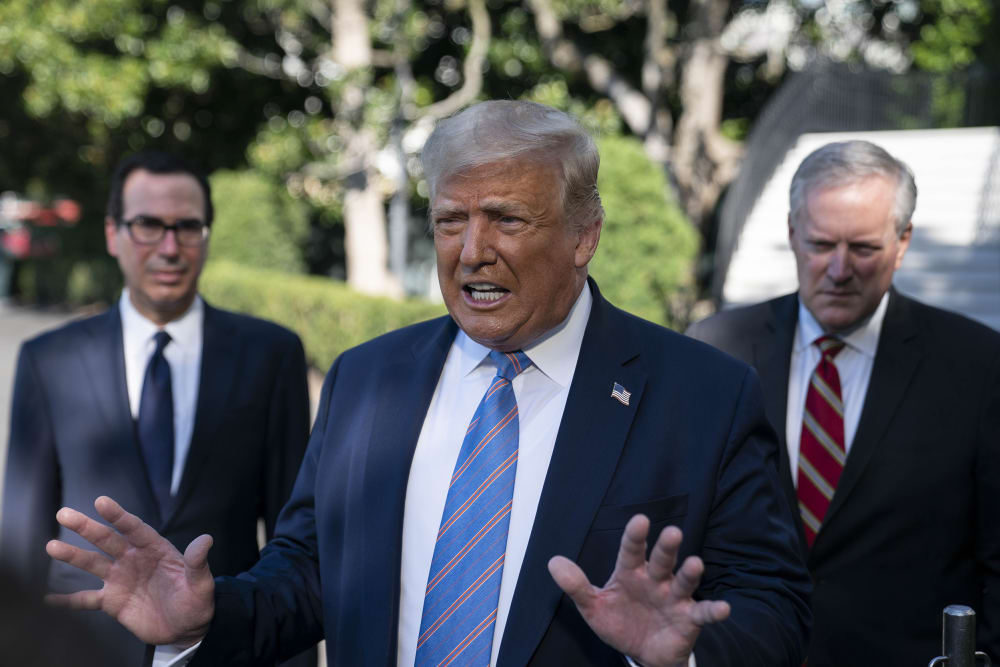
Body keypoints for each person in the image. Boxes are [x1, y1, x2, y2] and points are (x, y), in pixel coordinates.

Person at [45, 101, 811, 667]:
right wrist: (202, 617)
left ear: (585, 234)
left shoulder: (704, 395)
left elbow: (776, 614)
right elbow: (310, 573)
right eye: (450, 221)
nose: (472, 251)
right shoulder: (368, 379)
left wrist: (678, 654)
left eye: (506, 220)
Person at [687, 140, 1000, 666]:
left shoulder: (979, 365)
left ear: (902, 243)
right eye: (820, 244)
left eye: (863, 248)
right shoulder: (714, 349)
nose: (838, 269)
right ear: (791, 234)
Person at [2, 151, 315, 666]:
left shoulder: (271, 355)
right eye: (148, 225)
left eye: (187, 227)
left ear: (207, 236)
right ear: (112, 233)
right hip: (80, 649)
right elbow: (21, 537)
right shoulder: (49, 360)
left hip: (223, 650)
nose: (169, 247)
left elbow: (295, 546)